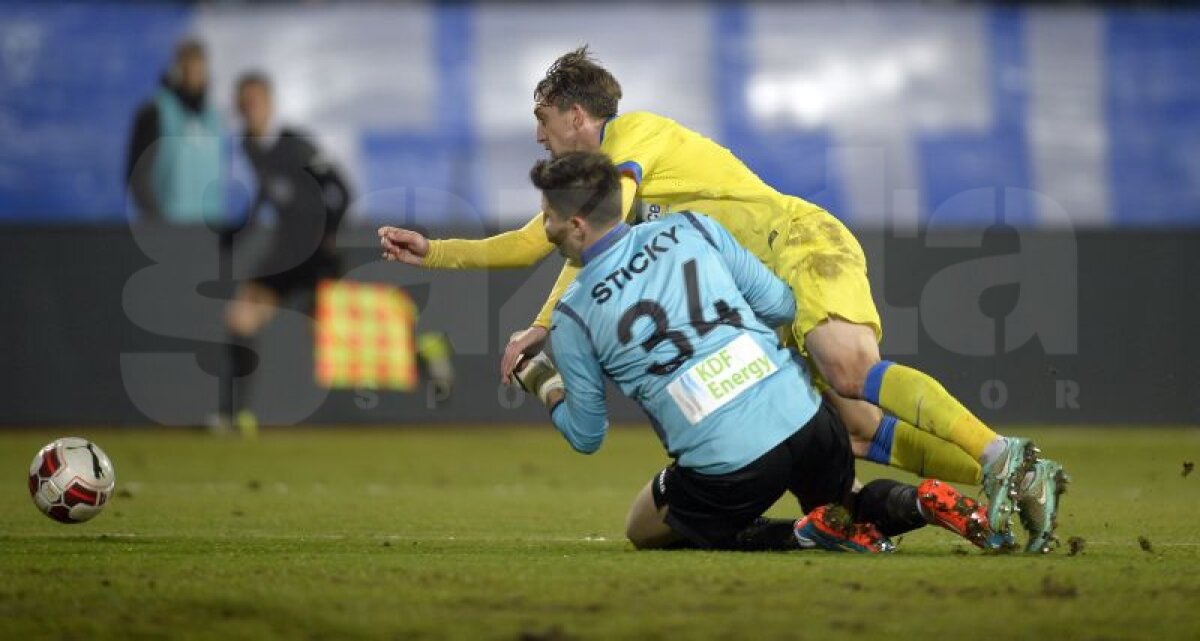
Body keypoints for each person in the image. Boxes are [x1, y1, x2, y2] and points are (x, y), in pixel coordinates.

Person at [379, 47, 1067, 552]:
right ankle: (1007, 486)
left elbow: (594, 232)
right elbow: (549, 238)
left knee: (850, 367)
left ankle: (1001, 452)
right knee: (855, 426)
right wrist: (436, 252)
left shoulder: (633, 137)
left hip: (796, 241)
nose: (539, 135)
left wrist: (541, 326)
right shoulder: (602, 190)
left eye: (542, 119)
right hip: (765, 283)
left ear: (575, 114)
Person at [511, 151, 1007, 553]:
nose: (544, 227)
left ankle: (800, 538)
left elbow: (587, 434)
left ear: (577, 225)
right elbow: (779, 304)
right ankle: (921, 501)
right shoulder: (691, 229)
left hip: (731, 466)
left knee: (644, 528)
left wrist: (539, 380)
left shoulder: (573, 314)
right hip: (811, 423)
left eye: (549, 216)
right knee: (845, 504)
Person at [220, 71, 351, 435]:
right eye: (244, 104)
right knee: (240, 318)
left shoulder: (296, 145)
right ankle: (237, 416)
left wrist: (328, 235)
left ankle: (420, 350)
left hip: (315, 253)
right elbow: (269, 193)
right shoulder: (248, 146)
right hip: (284, 254)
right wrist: (240, 230)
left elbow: (342, 188)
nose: (250, 110)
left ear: (270, 104)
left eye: (256, 102)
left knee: (338, 337)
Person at [126, 38, 225, 225]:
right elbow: (137, 176)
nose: (193, 75)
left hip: (209, 228)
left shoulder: (215, 117)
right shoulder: (154, 112)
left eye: (199, 68)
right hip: (168, 227)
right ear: (176, 69)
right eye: (187, 67)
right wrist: (158, 220)